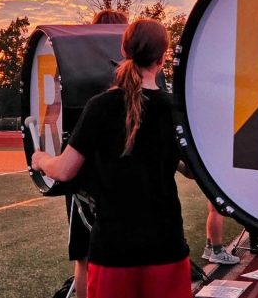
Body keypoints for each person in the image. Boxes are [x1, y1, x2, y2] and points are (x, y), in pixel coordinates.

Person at [33, 19, 191, 298]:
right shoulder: (175, 108)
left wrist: (41, 159)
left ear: (123, 50)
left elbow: (65, 170)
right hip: (166, 245)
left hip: (113, 248)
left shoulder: (100, 106)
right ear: (163, 56)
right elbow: (193, 170)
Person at [61, 10, 130, 298]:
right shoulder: (134, 75)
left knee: (85, 255)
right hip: (124, 174)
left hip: (84, 174)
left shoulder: (76, 71)